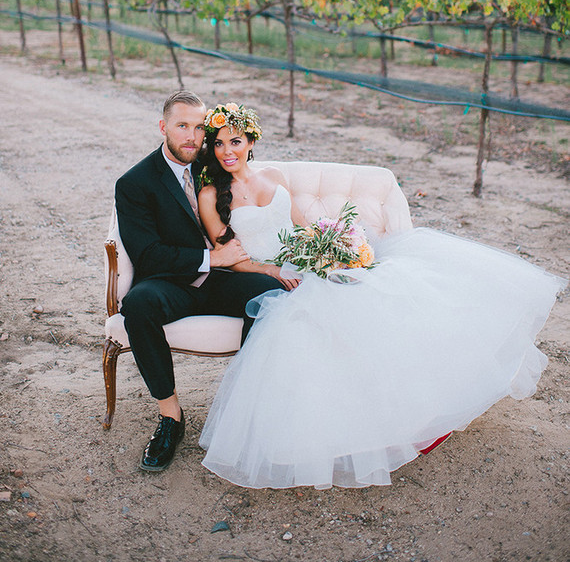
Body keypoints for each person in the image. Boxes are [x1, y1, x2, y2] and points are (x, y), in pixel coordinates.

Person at [197, 101, 567, 490]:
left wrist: (332, 250)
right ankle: (351, 429)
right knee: (323, 319)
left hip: (311, 261)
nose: (227, 152)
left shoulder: (272, 175)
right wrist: (275, 271)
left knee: (393, 292)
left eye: (235, 141)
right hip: (275, 275)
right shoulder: (211, 195)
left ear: (250, 139)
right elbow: (232, 259)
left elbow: (304, 226)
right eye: (219, 144)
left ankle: (421, 415)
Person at [115, 91, 287, 473]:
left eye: (198, 127)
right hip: (170, 283)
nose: (192, 136)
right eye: (182, 126)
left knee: (273, 295)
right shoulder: (135, 183)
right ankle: (171, 417)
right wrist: (212, 257)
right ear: (164, 127)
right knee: (138, 305)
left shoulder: (212, 163)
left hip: (221, 280)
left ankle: (250, 411)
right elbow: (147, 255)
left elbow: (245, 167)